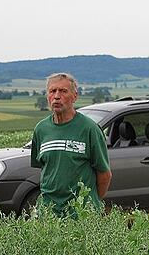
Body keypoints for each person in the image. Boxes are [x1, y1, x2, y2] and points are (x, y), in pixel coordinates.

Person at [30, 73, 112, 215]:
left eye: (63, 91)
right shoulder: (41, 129)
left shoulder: (89, 129)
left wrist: (91, 202)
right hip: (48, 213)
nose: (56, 96)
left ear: (75, 96)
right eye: (52, 91)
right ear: (47, 96)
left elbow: (105, 174)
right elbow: (45, 170)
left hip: (80, 213)